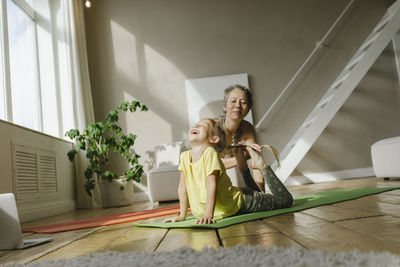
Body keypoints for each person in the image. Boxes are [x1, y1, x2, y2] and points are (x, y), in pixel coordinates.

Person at [163, 118, 293, 224]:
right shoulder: (184, 157)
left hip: (241, 202)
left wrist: (208, 215)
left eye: (203, 126)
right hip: (232, 198)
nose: (196, 126)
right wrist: (182, 215)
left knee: (286, 200)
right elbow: (182, 188)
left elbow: (211, 184)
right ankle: (243, 166)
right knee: (257, 193)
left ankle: (261, 165)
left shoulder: (209, 153)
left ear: (214, 139)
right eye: (196, 125)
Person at [215, 84, 271, 192]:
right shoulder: (214, 127)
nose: (238, 106)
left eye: (243, 102)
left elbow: (255, 162)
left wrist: (261, 194)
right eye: (233, 101)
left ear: (249, 108)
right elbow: (210, 163)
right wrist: (241, 159)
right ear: (224, 106)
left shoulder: (248, 128)